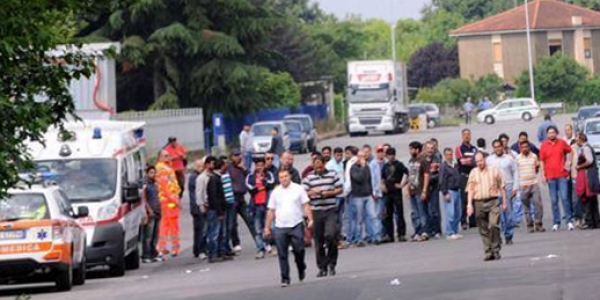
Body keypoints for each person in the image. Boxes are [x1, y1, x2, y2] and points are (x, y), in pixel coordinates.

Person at [265, 169, 313, 288]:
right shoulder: (276, 192)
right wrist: (267, 227)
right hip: (280, 226)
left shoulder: (298, 189)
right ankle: (285, 278)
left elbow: (306, 205)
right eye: (281, 177)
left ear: (289, 176)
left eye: (286, 176)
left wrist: (310, 219)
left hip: (296, 224)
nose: (284, 179)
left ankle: (301, 267)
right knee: (282, 253)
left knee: (299, 250)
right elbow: (271, 211)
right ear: (279, 179)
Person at [303, 155, 343, 277]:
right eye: (317, 167)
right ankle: (322, 267)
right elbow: (303, 192)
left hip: (330, 209)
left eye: (320, 167)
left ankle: (332, 263)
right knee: (318, 241)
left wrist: (328, 193)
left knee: (330, 236)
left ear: (324, 165)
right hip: (316, 211)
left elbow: (340, 189)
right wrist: (313, 192)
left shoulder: (332, 174)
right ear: (313, 165)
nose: (319, 169)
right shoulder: (309, 177)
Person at [467, 152, 508, 261]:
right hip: (479, 202)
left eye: (481, 160)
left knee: (493, 225)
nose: (479, 163)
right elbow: (470, 189)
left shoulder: (494, 170)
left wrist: (504, 202)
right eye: (477, 162)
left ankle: (495, 249)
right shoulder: (473, 172)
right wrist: (469, 205)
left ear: (484, 159)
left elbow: (502, 187)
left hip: (493, 201)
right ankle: (488, 251)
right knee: (483, 228)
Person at [540, 126, 574, 231]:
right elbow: (541, 161)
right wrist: (543, 174)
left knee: (564, 198)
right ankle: (556, 222)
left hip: (562, 175)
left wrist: (569, 162)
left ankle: (569, 221)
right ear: (547, 134)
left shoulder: (561, 143)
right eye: (549, 133)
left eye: (553, 132)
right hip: (550, 176)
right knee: (554, 200)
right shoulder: (544, 145)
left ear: (556, 133)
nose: (551, 134)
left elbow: (571, 151)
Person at [486, 140, 518, 245]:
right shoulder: (489, 160)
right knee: (497, 215)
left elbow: (516, 172)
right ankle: (498, 236)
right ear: (493, 148)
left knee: (508, 214)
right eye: (495, 147)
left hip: (508, 188)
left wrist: (515, 187)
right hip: (495, 190)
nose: (498, 149)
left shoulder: (509, 159)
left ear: (502, 147)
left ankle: (508, 235)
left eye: (499, 146)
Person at [246, 157, 276, 259]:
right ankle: (260, 249)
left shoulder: (269, 175)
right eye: (258, 165)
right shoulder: (250, 176)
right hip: (256, 206)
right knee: (258, 229)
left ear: (264, 166)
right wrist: (262, 186)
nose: (260, 167)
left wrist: (263, 181)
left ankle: (268, 246)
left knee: (269, 228)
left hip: (267, 205)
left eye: (261, 165)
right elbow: (250, 188)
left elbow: (271, 183)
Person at [227, 149, 256, 255]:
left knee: (249, 219)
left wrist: (244, 169)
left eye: (239, 155)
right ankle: (236, 243)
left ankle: (258, 241)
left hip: (241, 198)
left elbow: (250, 178)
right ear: (231, 157)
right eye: (235, 156)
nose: (238, 157)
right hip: (233, 197)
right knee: (233, 223)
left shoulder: (243, 167)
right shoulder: (228, 168)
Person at [155, 151, 182, 257]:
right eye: (166, 156)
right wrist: (175, 201)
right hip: (169, 201)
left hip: (168, 200)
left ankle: (162, 247)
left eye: (168, 155)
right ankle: (174, 248)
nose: (168, 157)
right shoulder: (163, 169)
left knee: (165, 225)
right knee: (172, 225)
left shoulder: (165, 167)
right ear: (160, 157)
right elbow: (165, 187)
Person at [515, 141, 545, 233]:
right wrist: (517, 186)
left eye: (526, 147)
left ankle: (538, 223)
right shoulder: (517, 158)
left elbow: (536, 168)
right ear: (520, 148)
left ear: (529, 147)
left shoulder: (534, 156)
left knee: (538, 205)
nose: (525, 149)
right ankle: (530, 225)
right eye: (522, 147)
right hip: (523, 185)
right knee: (526, 206)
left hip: (534, 183)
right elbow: (516, 173)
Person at [381, 147, 409, 243]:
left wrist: (402, 185)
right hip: (387, 193)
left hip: (396, 192)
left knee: (399, 214)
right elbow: (382, 177)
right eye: (389, 155)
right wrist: (382, 185)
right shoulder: (385, 166)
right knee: (388, 215)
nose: (391, 157)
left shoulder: (399, 165)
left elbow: (407, 174)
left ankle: (401, 234)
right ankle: (389, 235)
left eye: (392, 155)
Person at [205, 158, 231, 263]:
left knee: (221, 232)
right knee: (214, 233)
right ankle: (213, 254)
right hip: (215, 210)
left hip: (219, 210)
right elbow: (214, 197)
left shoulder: (217, 178)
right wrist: (219, 211)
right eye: (225, 165)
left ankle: (221, 252)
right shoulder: (214, 179)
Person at [347, 150, 373, 247]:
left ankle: (373, 237)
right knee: (359, 219)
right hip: (358, 196)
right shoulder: (353, 168)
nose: (363, 159)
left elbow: (369, 179)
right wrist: (362, 167)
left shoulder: (367, 167)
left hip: (368, 195)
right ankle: (359, 239)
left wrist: (371, 191)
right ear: (357, 157)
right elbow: (359, 178)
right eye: (361, 157)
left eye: (364, 157)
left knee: (372, 216)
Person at [575, 133, 600, 229]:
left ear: (581, 139)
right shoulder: (587, 147)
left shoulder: (586, 148)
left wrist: (579, 166)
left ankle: (590, 222)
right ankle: (596, 221)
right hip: (591, 175)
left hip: (588, 176)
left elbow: (590, 160)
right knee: (592, 200)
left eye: (577, 139)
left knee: (588, 199)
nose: (576, 141)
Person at [408, 141, 431, 242]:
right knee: (415, 213)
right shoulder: (411, 160)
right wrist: (406, 188)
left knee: (422, 212)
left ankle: (425, 232)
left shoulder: (423, 160)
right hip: (412, 190)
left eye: (411, 149)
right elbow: (410, 175)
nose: (410, 151)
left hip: (420, 190)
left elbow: (426, 175)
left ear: (417, 150)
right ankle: (418, 232)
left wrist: (424, 191)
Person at [456, 129, 478, 229]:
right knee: (464, 199)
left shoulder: (474, 148)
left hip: (474, 177)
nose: (467, 136)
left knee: (474, 198)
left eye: (468, 134)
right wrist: (472, 160)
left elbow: (477, 161)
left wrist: (471, 161)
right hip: (464, 176)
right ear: (462, 136)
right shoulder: (459, 148)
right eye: (465, 134)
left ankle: (473, 221)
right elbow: (462, 162)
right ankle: (464, 221)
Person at [439, 148, 463, 240]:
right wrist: (445, 193)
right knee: (450, 213)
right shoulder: (443, 166)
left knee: (458, 213)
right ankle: (450, 232)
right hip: (449, 191)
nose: (449, 156)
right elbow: (441, 181)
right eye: (447, 154)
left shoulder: (455, 165)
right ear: (445, 155)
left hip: (457, 190)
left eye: (451, 154)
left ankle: (455, 230)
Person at [141, 166, 162, 263]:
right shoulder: (145, 185)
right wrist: (149, 210)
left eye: (154, 172)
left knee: (155, 235)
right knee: (148, 236)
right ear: (147, 173)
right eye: (151, 173)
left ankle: (154, 254)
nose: (153, 175)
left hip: (157, 211)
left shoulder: (155, 184)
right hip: (150, 213)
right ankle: (146, 255)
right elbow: (144, 199)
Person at [326, 147, 347, 242]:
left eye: (341, 155)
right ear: (334, 155)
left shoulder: (341, 164)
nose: (339, 157)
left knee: (340, 217)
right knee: (334, 217)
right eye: (338, 155)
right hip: (335, 195)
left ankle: (339, 234)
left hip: (342, 194)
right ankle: (334, 235)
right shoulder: (330, 165)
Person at [363, 145, 383, 244]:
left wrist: (375, 191)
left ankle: (377, 236)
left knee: (376, 215)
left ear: (371, 152)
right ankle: (371, 235)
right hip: (367, 193)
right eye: (364, 152)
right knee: (369, 216)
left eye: (367, 152)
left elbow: (376, 179)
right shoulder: (364, 163)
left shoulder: (374, 163)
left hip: (374, 193)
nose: (366, 154)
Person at [218, 156, 236, 258]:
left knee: (229, 227)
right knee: (223, 228)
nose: (227, 165)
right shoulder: (219, 176)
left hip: (231, 202)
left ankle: (227, 247)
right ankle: (223, 249)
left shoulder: (228, 174)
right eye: (225, 164)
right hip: (224, 205)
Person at [189, 159, 207, 260]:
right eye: (199, 166)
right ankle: (200, 250)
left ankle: (196, 249)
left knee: (198, 230)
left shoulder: (194, 176)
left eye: (202, 166)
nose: (202, 168)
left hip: (195, 207)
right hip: (197, 207)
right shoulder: (195, 177)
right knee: (200, 230)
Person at [424, 141, 442, 238]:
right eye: (428, 148)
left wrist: (431, 177)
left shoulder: (436, 159)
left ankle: (437, 230)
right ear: (425, 149)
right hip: (424, 188)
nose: (430, 150)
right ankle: (428, 229)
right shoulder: (422, 160)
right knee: (426, 210)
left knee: (434, 210)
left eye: (432, 148)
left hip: (434, 187)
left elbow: (439, 173)